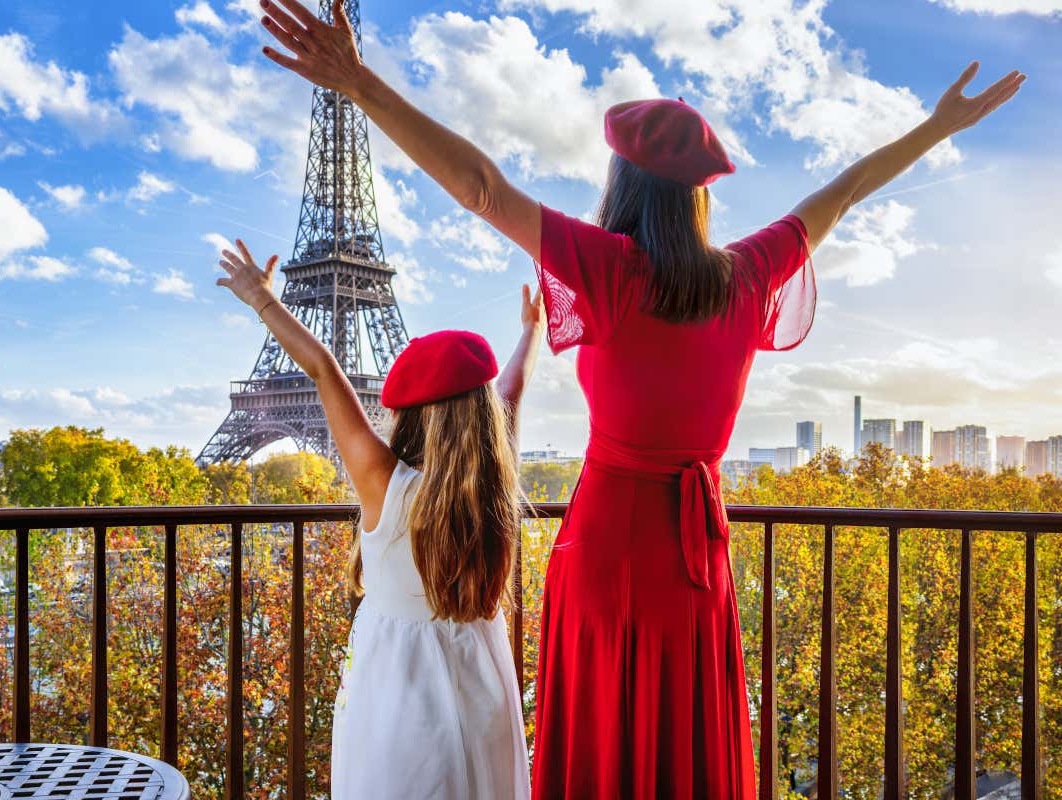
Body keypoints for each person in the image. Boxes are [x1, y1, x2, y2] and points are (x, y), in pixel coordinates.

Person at [255, 1, 1024, 795]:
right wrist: (937, 129)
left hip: (605, 548)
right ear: (697, 195)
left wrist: (360, 83)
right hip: (695, 562)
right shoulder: (745, 275)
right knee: (685, 741)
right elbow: (845, 191)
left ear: (622, 182)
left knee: (605, 742)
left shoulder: (609, 268)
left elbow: (482, 189)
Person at [216, 239, 543, 799]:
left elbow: (325, 370)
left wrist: (262, 301)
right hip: (481, 673)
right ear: (486, 415)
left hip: (399, 681)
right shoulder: (493, 488)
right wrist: (531, 331)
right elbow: (510, 389)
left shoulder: (386, 484)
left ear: (414, 415)